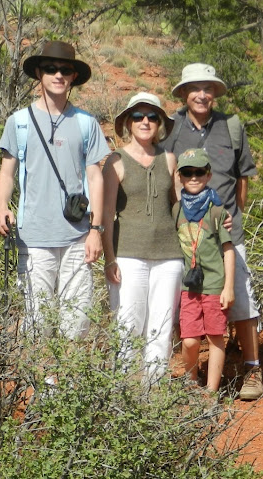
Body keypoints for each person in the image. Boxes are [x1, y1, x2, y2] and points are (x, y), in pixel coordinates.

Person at [0, 40, 110, 342]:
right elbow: (7, 173)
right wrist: (1, 207)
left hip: (77, 238)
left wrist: (96, 230)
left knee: (77, 324)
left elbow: (96, 178)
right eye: (50, 69)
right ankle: (43, 388)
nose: (58, 75)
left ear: (73, 77)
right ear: (39, 75)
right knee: (37, 324)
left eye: (65, 70)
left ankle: (69, 387)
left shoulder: (86, 123)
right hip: (34, 239)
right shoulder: (18, 122)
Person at [162, 63, 263, 400]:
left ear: (215, 93)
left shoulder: (231, 126)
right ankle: (190, 374)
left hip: (226, 233)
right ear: (183, 94)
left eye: (208, 88)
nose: (202, 94)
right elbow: (167, 173)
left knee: (242, 299)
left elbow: (243, 176)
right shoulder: (172, 127)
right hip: (186, 237)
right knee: (187, 304)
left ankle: (251, 367)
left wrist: (232, 214)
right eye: (195, 88)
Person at [101, 92, 184, 385]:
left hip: (169, 257)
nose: (145, 121)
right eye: (138, 116)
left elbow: (179, 207)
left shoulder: (169, 159)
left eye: (152, 116)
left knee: (161, 329)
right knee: (127, 326)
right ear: (128, 123)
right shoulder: (115, 161)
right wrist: (109, 258)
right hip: (128, 255)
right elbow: (106, 214)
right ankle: (123, 398)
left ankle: (153, 397)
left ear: (160, 123)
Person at [174, 148, 235, 393]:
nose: (193, 177)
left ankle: (210, 391)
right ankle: (191, 381)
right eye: (187, 172)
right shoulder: (176, 210)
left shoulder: (217, 211)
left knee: (215, 336)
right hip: (189, 287)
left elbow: (228, 250)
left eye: (199, 172)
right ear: (180, 176)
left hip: (214, 284)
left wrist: (228, 287)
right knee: (189, 340)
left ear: (208, 175)